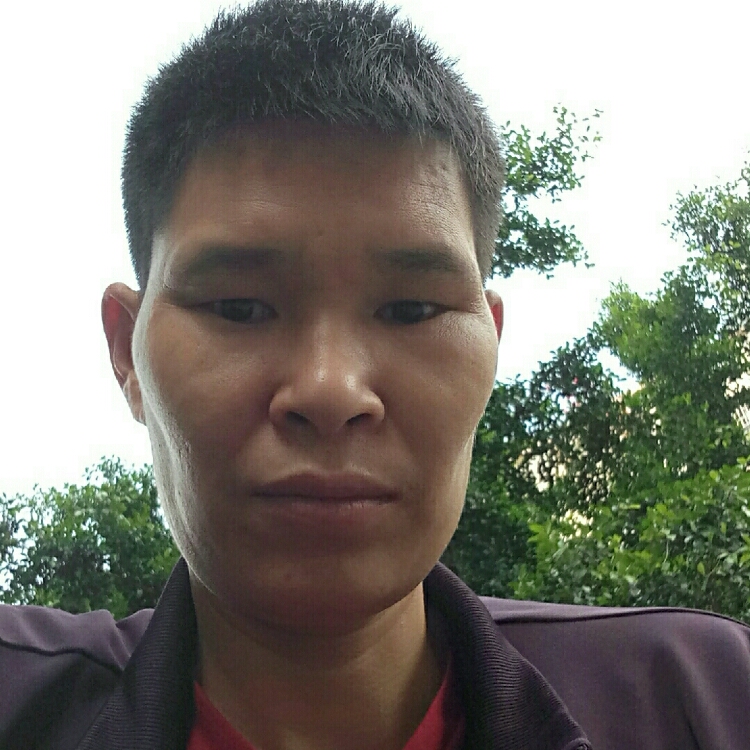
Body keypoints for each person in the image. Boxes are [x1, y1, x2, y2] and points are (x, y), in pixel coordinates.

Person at [1, 1, 749, 748]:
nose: (330, 391)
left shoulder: (702, 701)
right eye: (239, 307)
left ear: (490, 344)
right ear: (127, 352)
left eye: (412, 309)